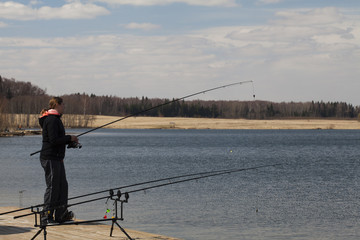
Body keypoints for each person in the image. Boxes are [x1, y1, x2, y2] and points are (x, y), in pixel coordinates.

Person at [39, 97, 78, 225]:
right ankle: (46, 217)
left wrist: (69, 141)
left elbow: (57, 139)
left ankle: (61, 215)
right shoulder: (51, 120)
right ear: (57, 105)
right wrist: (69, 137)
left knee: (62, 186)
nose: (64, 107)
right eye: (63, 105)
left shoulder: (55, 119)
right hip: (50, 158)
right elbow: (54, 140)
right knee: (53, 187)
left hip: (57, 158)